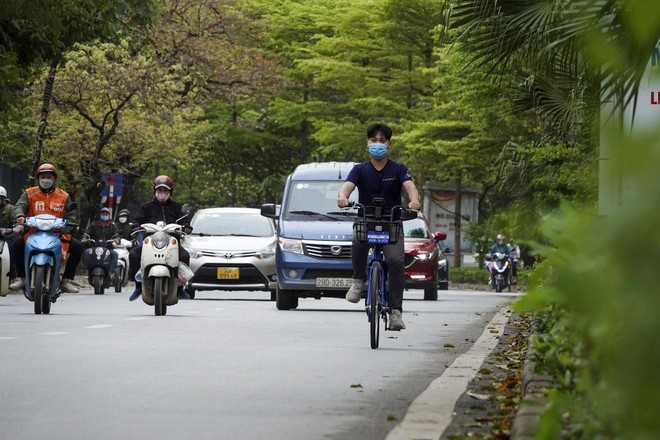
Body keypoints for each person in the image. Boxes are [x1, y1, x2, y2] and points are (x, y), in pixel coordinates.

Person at [337, 123, 421, 331]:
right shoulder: (359, 170)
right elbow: (347, 187)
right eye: (373, 140)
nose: (378, 144)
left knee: (395, 261)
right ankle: (358, 281)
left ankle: (395, 312)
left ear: (389, 144)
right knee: (357, 242)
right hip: (366, 220)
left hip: (391, 222)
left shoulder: (398, 169)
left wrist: (414, 201)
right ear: (367, 143)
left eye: (382, 141)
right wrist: (342, 197)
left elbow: (410, 187)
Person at [9, 163, 82, 294]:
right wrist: (19, 216)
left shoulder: (64, 196)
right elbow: (18, 207)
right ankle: (23, 278)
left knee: (78, 247)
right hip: (32, 232)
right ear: (38, 178)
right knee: (17, 245)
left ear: (54, 179)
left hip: (57, 233)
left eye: (49, 177)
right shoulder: (29, 193)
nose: (46, 180)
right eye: (43, 177)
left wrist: (66, 227)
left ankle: (65, 280)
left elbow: (71, 215)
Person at [128, 175, 192, 301]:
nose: (162, 193)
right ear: (155, 191)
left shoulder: (176, 206)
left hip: (172, 240)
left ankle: (179, 288)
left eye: (165, 191)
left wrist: (186, 226)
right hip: (151, 240)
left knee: (184, 256)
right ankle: (138, 286)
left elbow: (185, 220)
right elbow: (137, 219)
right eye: (159, 191)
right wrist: (135, 226)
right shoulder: (147, 206)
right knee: (134, 255)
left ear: (170, 192)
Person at [82, 207, 120, 276]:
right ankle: (87, 270)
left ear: (108, 215)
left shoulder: (112, 226)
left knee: (115, 254)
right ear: (100, 215)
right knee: (86, 252)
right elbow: (86, 233)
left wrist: (117, 239)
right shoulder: (94, 224)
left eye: (106, 214)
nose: (104, 215)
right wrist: (84, 239)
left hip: (108, 248)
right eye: (103, 214)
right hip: (95, 247)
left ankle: (111, 272)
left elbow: (116, 235)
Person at [0, 186, 18, 282]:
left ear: (3, 198)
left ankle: (12, 276)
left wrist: (16, 227)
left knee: (11, 248)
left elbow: (17, 220)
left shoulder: (10, 209)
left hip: (5, 236)